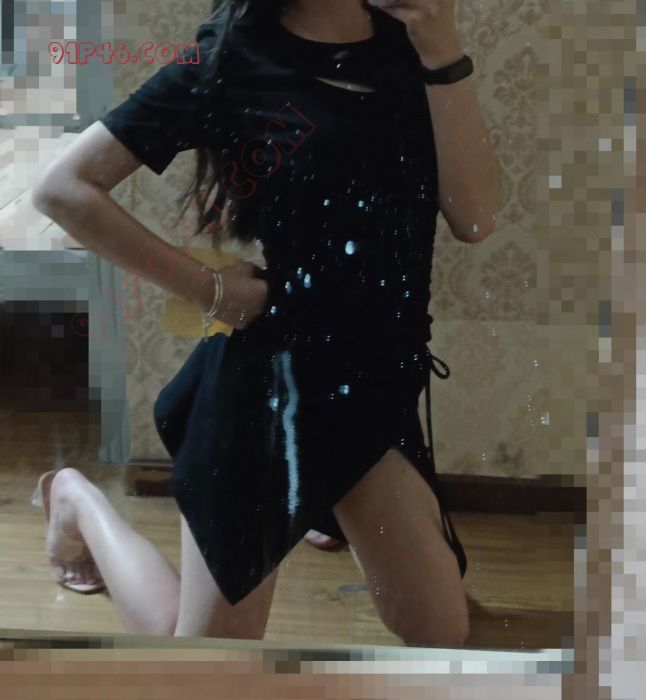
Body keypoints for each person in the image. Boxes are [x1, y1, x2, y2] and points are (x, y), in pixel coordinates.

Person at [30, 0, 500, 647]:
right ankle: (77, 501)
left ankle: (324, 505)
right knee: (205, 668)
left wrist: (441, 47)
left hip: (376, 387)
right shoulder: (231, 57)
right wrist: (210, 289)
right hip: (269, 393)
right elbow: (63, 189)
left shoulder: (412, 42)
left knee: (440, 632)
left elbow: (474, 219)